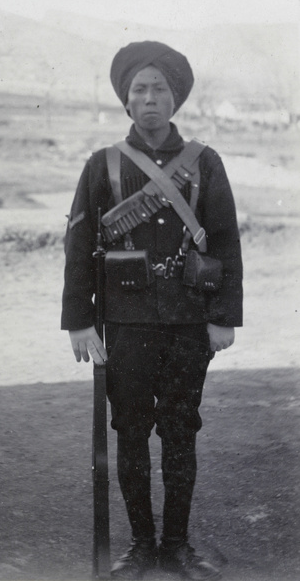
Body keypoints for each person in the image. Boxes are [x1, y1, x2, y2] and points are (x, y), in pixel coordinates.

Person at [61, 40, 243, 580]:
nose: (149, 99)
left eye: (158, 89)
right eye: (139, 89)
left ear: (175, 98)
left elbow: (227, 241)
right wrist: (78, 321)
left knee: (181, 431)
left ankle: (177, 545)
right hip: (127, 323)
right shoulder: (103, 164)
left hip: (190, 321)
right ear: (126, 99)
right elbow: (79, 245)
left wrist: (223, 316)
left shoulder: (205, 162)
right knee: (132, 432)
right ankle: (142, 545)